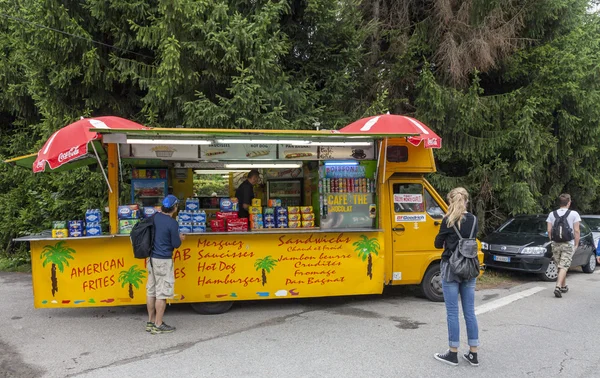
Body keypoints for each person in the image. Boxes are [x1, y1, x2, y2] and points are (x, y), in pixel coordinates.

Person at [433, 187, 480, 367]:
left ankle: (453, 354)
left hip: (451, 268)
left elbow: (437, 244)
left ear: (450, 201)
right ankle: (473, 354)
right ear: (466, 201)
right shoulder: (474, 220)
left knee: (452, 312)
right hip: (469, 268)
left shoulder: (447, 220)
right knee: (469, 312)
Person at [146, 195, 185, 334]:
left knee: (151, 291)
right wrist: (180, 238)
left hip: (151, 259)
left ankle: (150, 322)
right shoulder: (172, 223)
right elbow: (175, 244)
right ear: (174, 207)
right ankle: (158, 324)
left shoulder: (155, 217)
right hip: (163, 261)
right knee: (161, 293)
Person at [546, 193, 581, 298]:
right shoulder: (574, 214)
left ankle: (564, 286)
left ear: (559, 203)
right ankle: (558, 287)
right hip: (568, 243)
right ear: (569, 203)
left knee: (560, 266)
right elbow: (576, 230)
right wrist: (576, 244)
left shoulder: (552, 214)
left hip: (556, 243)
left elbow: (549, 230)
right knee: (564, 266)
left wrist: (552, 240)